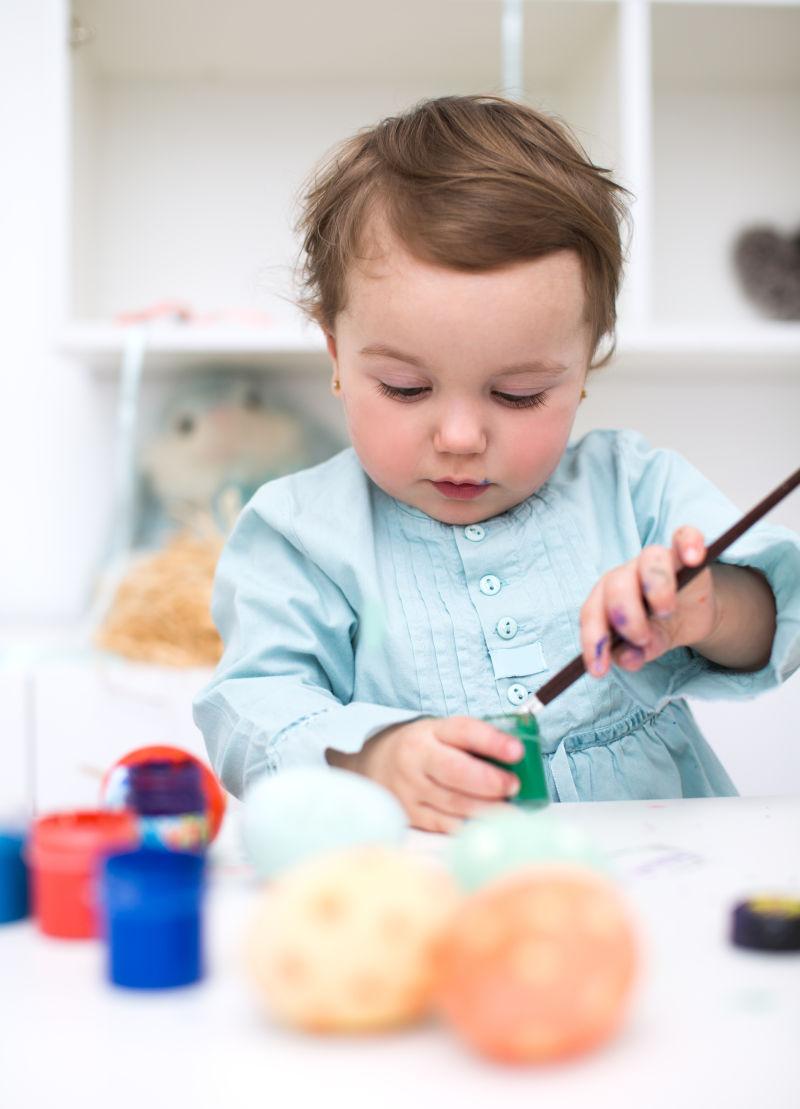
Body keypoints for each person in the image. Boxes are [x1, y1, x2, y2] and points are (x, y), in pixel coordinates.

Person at [193, 95, 800, 832]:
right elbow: (250, 707)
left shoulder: (633, 487)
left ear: (584, 365)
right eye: (405, 388)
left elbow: (777, 620)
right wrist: (374, 757)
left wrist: (705, 606)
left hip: (655, 871)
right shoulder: (300, 534)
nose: (458, 436)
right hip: (422, 889)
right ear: (336, 355)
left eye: (518, 394)